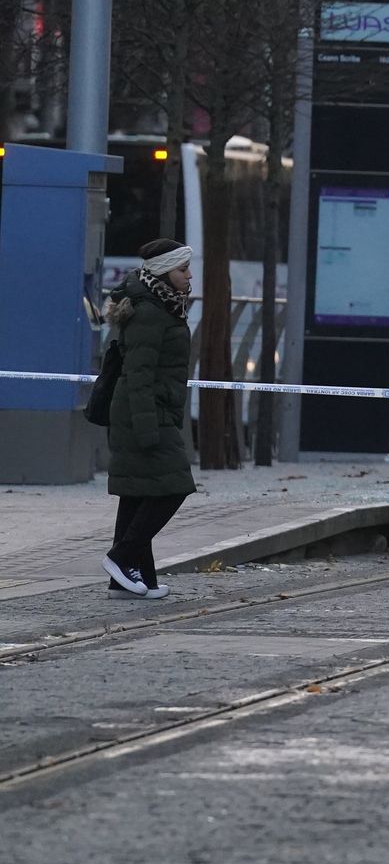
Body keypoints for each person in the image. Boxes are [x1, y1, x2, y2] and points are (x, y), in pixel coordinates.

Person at [102, 240, 198, 600]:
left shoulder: (161, 306)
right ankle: (121, 557)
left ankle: (130, 582)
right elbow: (139, 374)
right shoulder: (151, 313)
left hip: (149, 410)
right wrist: (147, 429)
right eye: (182, 269)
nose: (189, 275)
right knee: (174, 485)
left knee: (137, 491)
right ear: (162, 272)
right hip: (144, 414)